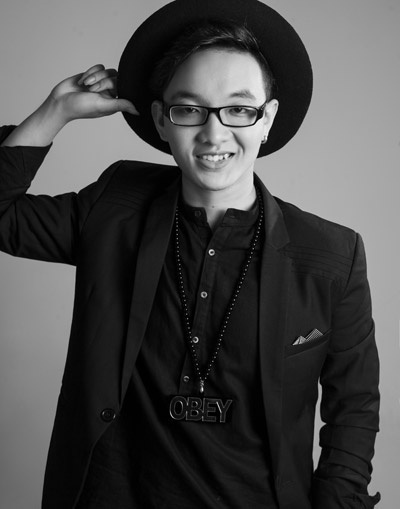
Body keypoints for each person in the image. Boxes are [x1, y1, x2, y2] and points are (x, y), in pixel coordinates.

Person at [0, 0, 380, 507]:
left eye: (239, 109)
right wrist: (55, 112)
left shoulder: (332, 255)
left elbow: (353, 408)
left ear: (267, 119)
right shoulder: (114, 208)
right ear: (161, 120)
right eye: (190, 109)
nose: (213, 133)